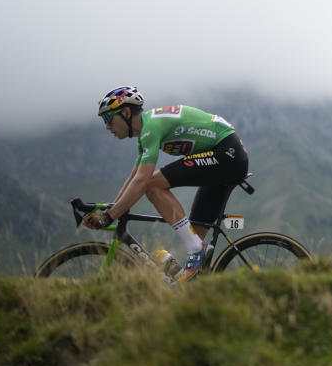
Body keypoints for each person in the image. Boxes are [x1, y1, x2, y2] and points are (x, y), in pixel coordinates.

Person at [84, 86, 249, 282]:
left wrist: (109, 217)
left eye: (108, 119)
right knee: (194, 235)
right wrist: (111, 208)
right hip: (224, 157)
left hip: (227, 154)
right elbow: (133, 179)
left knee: (153, 185)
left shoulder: (151, 128)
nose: (107, 126)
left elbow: (142, 181)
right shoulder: (146, 132)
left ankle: (197, 249)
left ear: (126, 113)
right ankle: (205, 286)